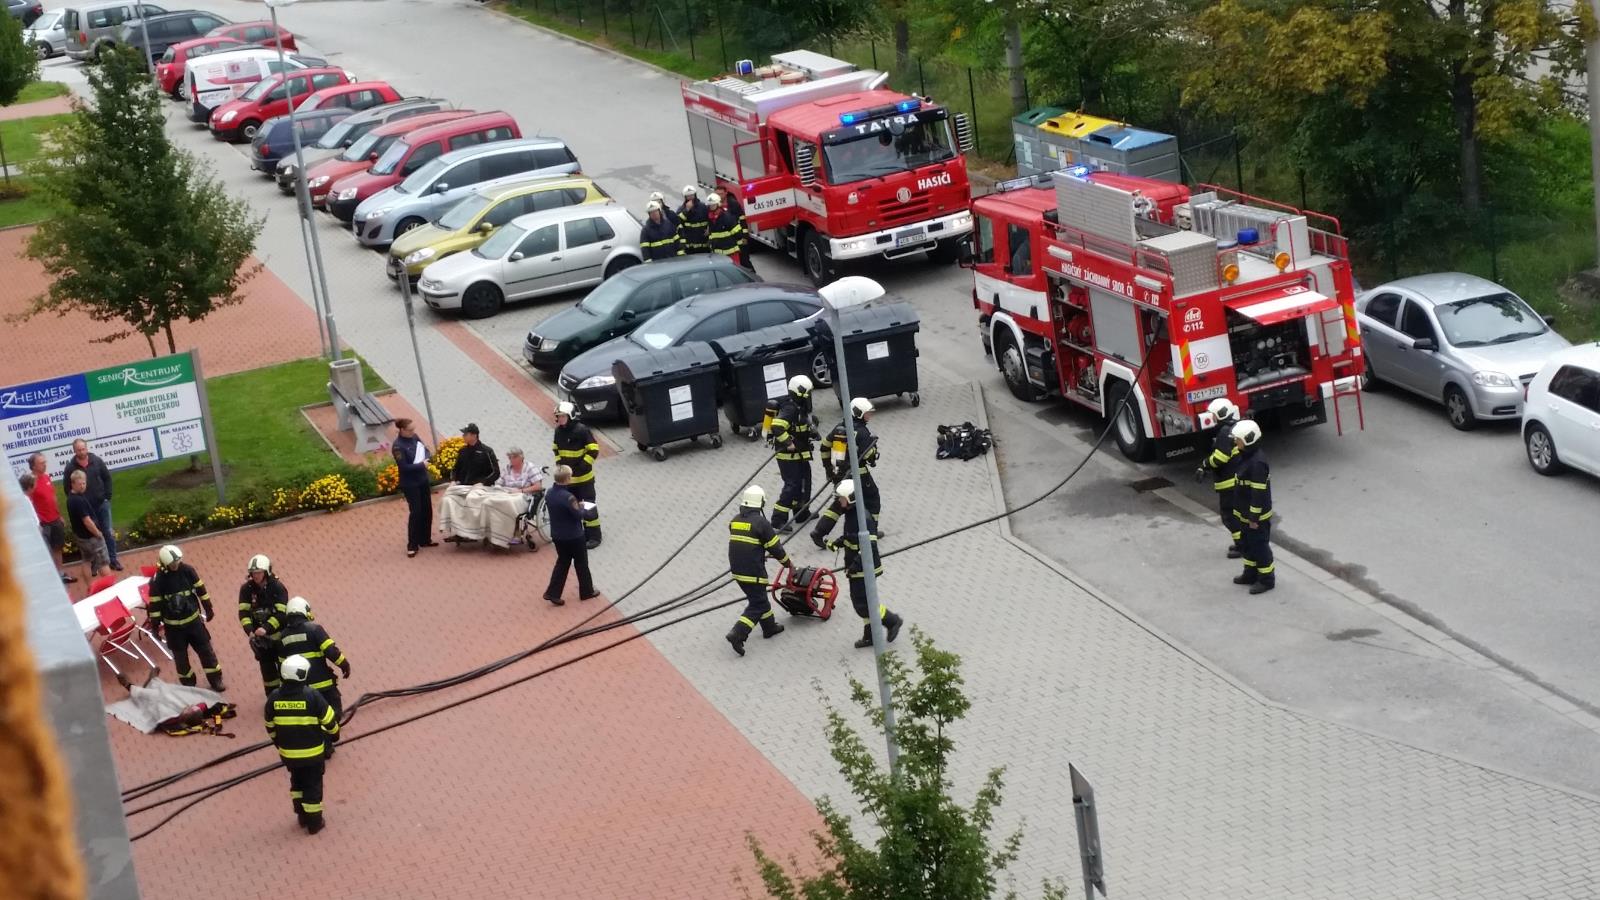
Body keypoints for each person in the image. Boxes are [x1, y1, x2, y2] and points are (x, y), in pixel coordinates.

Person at [823, 480, 904, 649]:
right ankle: (870, 636)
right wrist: (838, 543)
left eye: (841, 499)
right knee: (863, 601)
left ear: (851, 498)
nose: (839, 502)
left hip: (865, 568)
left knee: (863, 604)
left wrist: (856, 565)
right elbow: (852, 537)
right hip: (858, 567)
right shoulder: (853, 515)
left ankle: (891, 620)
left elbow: (868, 546)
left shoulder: (863, 518)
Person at [264, 654, 339, 835]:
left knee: (296, 782)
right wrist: (334, 734)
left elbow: (270, 726)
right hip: (312, 753)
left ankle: (301, 815)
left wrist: (279, 744)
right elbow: (329, 719)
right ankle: (314, 822)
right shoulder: (312, 696)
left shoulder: (274, 698)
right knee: (313, 785)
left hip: (289, 754)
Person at [275, 596, 350, 753]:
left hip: (300, 688)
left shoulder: (283, 637)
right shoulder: (315, 630)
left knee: (310, 716)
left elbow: (282, 666)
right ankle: (327, 743)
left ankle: (315, 743)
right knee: (333, 710)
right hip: (323, 684)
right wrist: (344, 664)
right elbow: (331, 651)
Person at [725, 484, 792, 657]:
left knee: (759, 597)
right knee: (758, 604)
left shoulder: (735, 520)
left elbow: (746, 543)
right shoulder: (761, 523)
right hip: (753, 572)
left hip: (738, 571)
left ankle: (769, 627)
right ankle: (738, 634)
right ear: (760, 504)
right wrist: (788, 565)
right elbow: (775, 548)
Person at [147, 543, 224, 691]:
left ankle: (216, 680)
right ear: (165, 563)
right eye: (172, 563)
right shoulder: (158, 580)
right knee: (181, 661)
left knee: (207, 652)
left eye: (177, 562)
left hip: (194, 623)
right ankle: (189, 687)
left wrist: (208, 608)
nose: (176, 565)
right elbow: (155, 605)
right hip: (173, 629)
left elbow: (201, 590)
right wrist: (155, 626)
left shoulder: (187, 571)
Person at [813, 398, 881, 546]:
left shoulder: (840, 427)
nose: (869, 416)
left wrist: (829, 470)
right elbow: (869, 456)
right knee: (872, 499)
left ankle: (819, 532)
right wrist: (873, 446)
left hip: (839, 473)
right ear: (858, 413)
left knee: (840, 504)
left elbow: (824, 446)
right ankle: (872, 532)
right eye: (867, 413)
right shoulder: (862, 432)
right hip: (858, 474)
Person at [542, 465, 599, 606]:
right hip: (573, 536)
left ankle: (553, 592)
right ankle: (587, 591)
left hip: (557, 535)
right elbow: (578, 515)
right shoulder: (568, 497)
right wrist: (585, 510)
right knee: (581, 563)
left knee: (562, 562)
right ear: (567, 478)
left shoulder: (550, 493)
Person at [1230, 420, 1275, 594]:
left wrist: (1254, 518)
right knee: (1247, 545)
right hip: (1245, 513)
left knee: (1259, 546)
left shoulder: (1257, 463)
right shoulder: (1245, 456)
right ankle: (1250, 573)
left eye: (1238, 439)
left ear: (1248, 440)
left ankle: (1266, 579)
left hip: (1256, 517)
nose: (1236, 442)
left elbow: (1258, 494)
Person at [768, 375, 816, 532]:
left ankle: (801, 513)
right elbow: (776, 427)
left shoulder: (799, 407)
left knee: (804, 483)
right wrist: (788, 442)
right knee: (792, 486)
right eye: (807, 393)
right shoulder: (790, 408)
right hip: (788, 457)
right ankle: (778, 520)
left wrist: (811, 431)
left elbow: (800, 425)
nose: (809, 396)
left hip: (800, 455)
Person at [63, 439, 120, 571]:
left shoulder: (97, 461)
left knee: (108, 532)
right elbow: (67, 487)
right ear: (74, 451)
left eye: (83, 449)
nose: (81, 452)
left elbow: (107, 478)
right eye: (78, 450)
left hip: (101, 504)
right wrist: (77, 502)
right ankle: (95, 565)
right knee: (91, 537)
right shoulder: (70, 468)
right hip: (86, 509)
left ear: (87, 448)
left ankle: (113, 560)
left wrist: (107, 497)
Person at [1197, 398, 1244, 559]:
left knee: (1229, 516)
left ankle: (1242, 546)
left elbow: (1220, 458)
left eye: (1214, 416)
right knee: (1239, 515)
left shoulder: (1224, 432)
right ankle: (1243, 543)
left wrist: (1204, 465)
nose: (1213, 420)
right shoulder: (1238, 427)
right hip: (1241, 479)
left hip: (1229, 484)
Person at [552, 401, 601, 548]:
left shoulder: (582, 430)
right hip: (569, 480)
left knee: (588, 506)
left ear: (570, 415)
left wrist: (582, 467)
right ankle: (580, 534)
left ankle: (594, 536)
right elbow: (556, 448)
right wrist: (559, 464)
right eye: (558, 416)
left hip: (584, 479)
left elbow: (593, 450)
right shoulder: (558, 431)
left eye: (562, 416)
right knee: (574, 507)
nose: (559, 419)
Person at [238, 554, 289, 696]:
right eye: (253, 573)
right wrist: (250, 631)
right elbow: (243, 613)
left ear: (266, 571)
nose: (256, 575)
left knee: (285, 667)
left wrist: (265, 628)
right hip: (261, 641)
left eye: (259, 572)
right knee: (267, 671)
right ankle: (272, 697)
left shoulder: (277, 587)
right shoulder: (246, 589)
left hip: (280, 637)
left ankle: (289, 695)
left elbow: (282, 614)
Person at [20, 453, 72, 583]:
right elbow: (28, 503)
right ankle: (50, 578)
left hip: (55, 520)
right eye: (41, 463)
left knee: (58, 547)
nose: (45, 465)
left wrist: (59, 515)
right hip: (43, 524)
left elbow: (52, 498)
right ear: (33, 466)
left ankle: (60, 573)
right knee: (46, 552)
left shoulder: (47, 477)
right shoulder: (30, 482)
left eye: (45, 462)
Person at [391, 418, 436, 558]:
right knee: (416, 512)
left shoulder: (415, 437)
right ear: (402, 430)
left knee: (427, 509)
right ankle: (412, 545)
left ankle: (425, 539)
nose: (413, 432)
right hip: (410, 483)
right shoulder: (398, 447)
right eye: (410, 430)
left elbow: (425, 450)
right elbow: (404, 467)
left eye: (413, 429)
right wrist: (421, 465)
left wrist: (426, 459)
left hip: (422, 480)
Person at [64, 470, 108, 587]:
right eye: (80, 484)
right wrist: (98, 533)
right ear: (72, 484)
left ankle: (90, 587)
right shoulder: (79, 501)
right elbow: (87, 521)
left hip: (81, 537)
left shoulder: (71, 498)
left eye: (84, 483)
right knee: (103, 563)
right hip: (91, 537)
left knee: (86, 561)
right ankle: (111, 588)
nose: (83, 486)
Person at [451, 423, 501, 487]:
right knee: (448, 496)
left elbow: (496, 473)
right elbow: (455, 469)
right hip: (463, 487)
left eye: (465, 434)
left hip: (482, 487)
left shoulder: (487, 451)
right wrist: (453, 481)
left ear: (474, 435)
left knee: (472, 496)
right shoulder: (462, 451)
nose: (463, 436)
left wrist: (483, 483)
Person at [717, 185, 752, 270]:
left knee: (745, 261)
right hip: (729, 240)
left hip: (739, 238)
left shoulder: (733, 204)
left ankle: (754, 278)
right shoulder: (716, 205)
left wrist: (745, 236)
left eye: (721, 194)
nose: (719, 196)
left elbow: (742, 219)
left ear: (726, 193)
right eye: (717, 194)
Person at [706, 192, 744, 268]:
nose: (711, 207)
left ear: (718, 204)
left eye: (713, 205)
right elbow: (712, 234)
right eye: (710, 205)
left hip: (731, 253)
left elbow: (738, 234)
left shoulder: (726, 216)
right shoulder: (710, 218)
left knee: (734, 273)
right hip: (717, 253)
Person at [678, 185, 710, 254]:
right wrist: (687, 210)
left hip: (703, 244)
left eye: (691, 195)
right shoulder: (681, 209)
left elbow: (711, 219)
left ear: (695, 195)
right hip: (690, 246)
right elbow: (678, 222)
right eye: (688, 196)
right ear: (685, 197)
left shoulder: (703, 207)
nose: (690, 197)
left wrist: (709, 228)